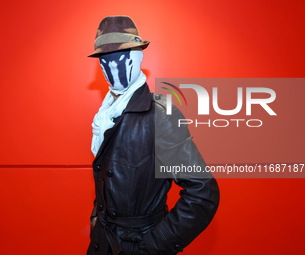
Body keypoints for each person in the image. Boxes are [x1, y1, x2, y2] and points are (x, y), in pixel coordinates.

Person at [87, 15, 220, 255]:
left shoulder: (161, 116)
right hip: (103, 244)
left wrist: (153, 247)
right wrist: (97, 220)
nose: (112, 65)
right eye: (104, 59)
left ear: (137, 57)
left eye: (120, 56)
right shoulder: (104, 116)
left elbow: (202, 194)